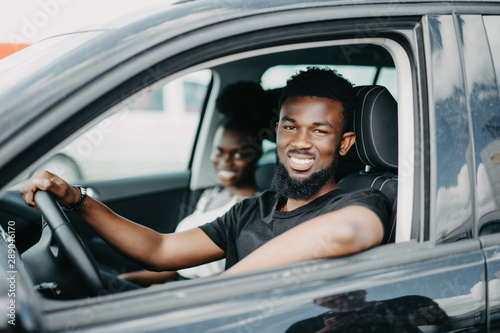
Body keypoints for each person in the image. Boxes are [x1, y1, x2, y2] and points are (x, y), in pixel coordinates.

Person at [20, 67, 390, 280]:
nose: (301, 143)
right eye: (290, 127)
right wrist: (77, 200)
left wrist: (225, 288)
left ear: (344, 144)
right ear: (275, 131)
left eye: (320, 130)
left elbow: (344, 234)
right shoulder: (254, 209)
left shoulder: (360, 200)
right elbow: (160, 249)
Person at [118, 83, 265, 286]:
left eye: (238, 153)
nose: (225, 162)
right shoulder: (211, 195)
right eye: (219, 151)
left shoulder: (252, 213)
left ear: (256, 154)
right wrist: (124, 281)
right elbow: (175, 263)